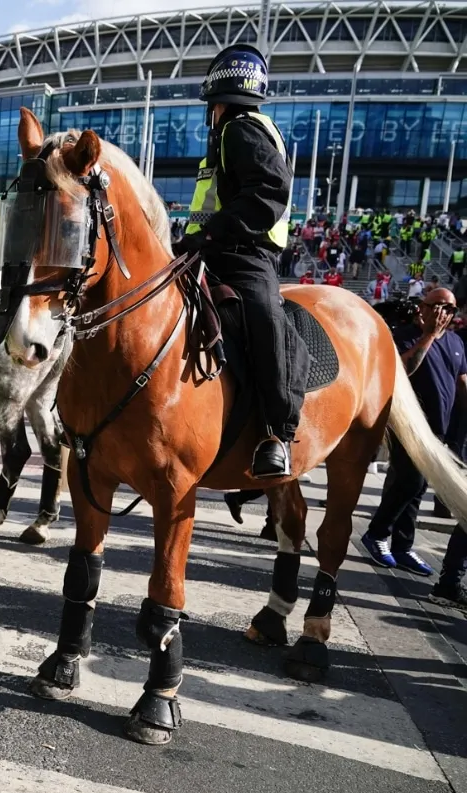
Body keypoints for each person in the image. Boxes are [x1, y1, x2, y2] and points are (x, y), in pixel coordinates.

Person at [176, 43, 301, 479]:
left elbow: (269, 191)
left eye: (211, 105)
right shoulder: (228, 135)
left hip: (246, 256)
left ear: (220, 101)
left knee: (264, 320)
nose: (209, 112)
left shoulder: (241, 130)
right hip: (210, 250)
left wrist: (212, 232)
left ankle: (277, 433)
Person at [361, 287, 465, 577]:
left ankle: (402, 546)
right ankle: (376, 533)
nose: (444, 313)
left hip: (438, 428)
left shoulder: (455, 341)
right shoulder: (404, 335)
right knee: (409, 481)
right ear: (423, 307)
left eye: (450, 308)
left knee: (418, 489)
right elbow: (402, 371)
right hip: (407, 425)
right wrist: (429, 336)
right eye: (438, 305)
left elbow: (461, 382)